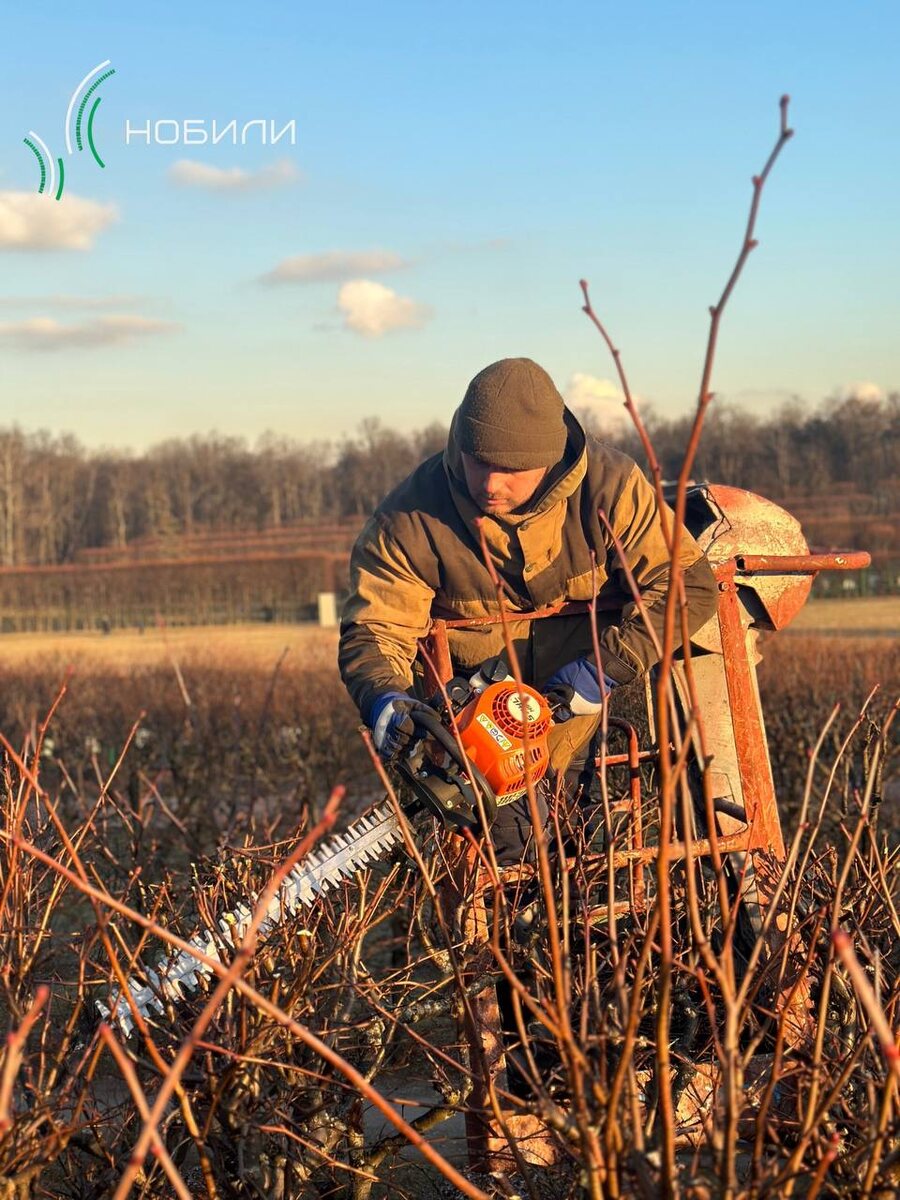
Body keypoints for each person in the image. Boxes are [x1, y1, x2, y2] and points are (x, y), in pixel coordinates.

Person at [338, 357, 719, 860]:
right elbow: (374, 627)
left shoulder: (610, 486)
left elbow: (685, 585)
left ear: (549, 458)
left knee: (595, 876)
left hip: (580, 725)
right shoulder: (410, 518)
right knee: (514, 893)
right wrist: (387, 701)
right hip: (476, 750)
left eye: (511, 469)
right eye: (478, 460)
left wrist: (603, 668)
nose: (491, 484)